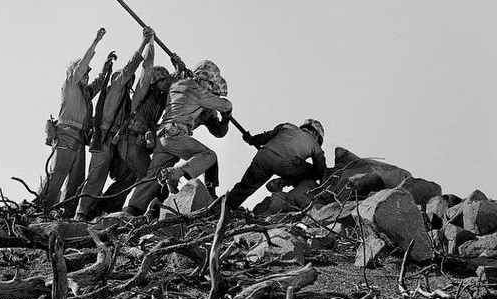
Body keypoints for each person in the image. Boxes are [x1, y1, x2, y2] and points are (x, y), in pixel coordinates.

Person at [124, 58, 232, 216]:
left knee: (151, 177)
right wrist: (227, 113)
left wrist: (178, 69)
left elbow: (219, 131)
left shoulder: (178, 84)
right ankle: (175, 174)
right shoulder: (196, 90)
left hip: (162, 136)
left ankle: (132, 209)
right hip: (175, 134)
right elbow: (225, 105)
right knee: (209, 155)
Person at [74, 27, 154, 220]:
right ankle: (82, 212)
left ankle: (107, 206)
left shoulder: (126, 98)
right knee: (96, 176)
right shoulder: (116, 87)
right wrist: (144, 42)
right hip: (104, 138)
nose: (128, 80)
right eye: (125, 77)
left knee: (130, 174)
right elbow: (130, 68)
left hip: (117, 141)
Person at [38, 28, 107, 212]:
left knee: (76, 180)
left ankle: (65, 212)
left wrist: (105, 70)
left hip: (79, 139)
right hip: (66, 136)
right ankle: (40, 209)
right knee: (56, 176)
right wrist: (96, 42)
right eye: (84, 73)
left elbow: (98, 84)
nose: (86, 75)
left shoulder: (85, 92)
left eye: (87, 74)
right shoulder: (70, 84)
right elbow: (82, 65)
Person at [225, 119, 326, 212]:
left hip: (264, 155)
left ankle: (224, 208)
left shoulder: (287, 126)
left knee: (246, 186)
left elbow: (264, 137)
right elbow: (321, 169)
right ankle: (281, 182)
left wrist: (251, 139)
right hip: (287, 164)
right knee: (313, 173)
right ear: (316, 134)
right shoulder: (315, 145)